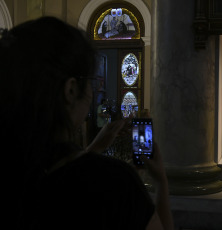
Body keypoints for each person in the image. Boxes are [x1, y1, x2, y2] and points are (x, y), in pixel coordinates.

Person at [0, 17, 173, 230]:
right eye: (91, 80)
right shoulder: (113, 182)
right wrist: (161, 183)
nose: (94, 91)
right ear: (71, 90)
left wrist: (94, 148)